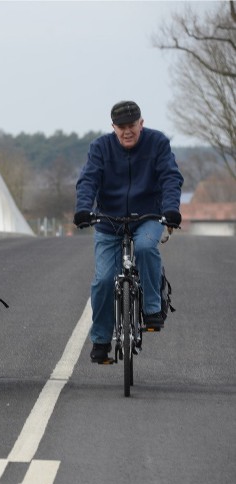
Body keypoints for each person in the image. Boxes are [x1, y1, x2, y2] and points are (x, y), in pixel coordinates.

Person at [74, 100, 183, 364]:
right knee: (103, 280)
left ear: (141, 123)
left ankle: (152, 308)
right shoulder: (100, 147)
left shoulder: (157, 143)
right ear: (113, 127)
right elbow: (89, 179)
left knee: (146, 248)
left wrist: (170, 210)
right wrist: (83, 208)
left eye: (131, 125)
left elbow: (170, 177)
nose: (127, 131)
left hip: (148, 215)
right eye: (121, 127)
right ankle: (101, 341)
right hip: (109, 219)